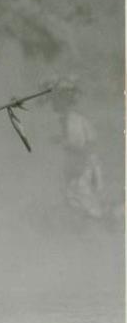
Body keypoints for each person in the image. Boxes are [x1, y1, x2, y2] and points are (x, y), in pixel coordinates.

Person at [50, 77, 105, 220]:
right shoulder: (69, 118)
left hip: (83, 170)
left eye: (57, 98)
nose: (54, 103)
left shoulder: (73, 119)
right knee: (76, 202)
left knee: (84, 205)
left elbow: (80, 146)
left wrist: (62, 141)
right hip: (80, 169)